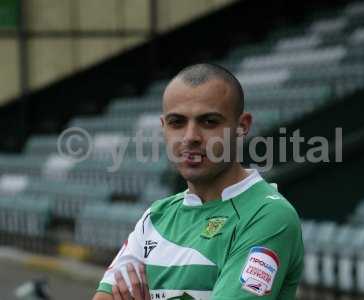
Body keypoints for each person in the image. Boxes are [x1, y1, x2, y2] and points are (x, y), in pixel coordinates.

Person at [92, 63, 304, 300]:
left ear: (241, 127)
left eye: (209, 121)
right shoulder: (155, 217)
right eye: (177, 123)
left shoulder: (268, 215)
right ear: (164, 127)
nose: (190, 137)